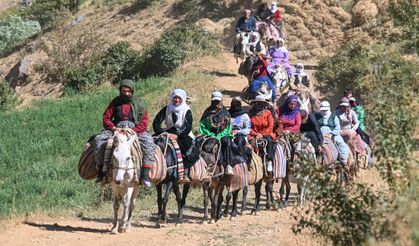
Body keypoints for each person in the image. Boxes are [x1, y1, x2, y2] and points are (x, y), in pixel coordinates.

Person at [94, 79, 155, 187]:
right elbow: (106, 117)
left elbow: (144, 121)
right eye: (124, 91)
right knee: (98, 140)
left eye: (129, 91)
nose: (126, 93)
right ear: (120, 90)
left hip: (134, 130)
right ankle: (101, 172)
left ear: (132, 91)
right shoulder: (116, 102)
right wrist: (114, 128)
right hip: (117, 128)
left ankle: (145, 174)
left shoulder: (139, 103)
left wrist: (134, 131)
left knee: (149, 142)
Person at [153, 89, 201, 183]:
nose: (177, 100)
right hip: (168, 132)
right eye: (175, 98)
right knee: (154, 144)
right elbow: (156, 123)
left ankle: (185, 172)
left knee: (188, 150)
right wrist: (162, 132)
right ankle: (152, 170)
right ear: (172, 98)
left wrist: (177, 135)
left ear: (183, 99)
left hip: (183, 134)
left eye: (179, 98)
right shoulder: (167, 108)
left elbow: (187, 127)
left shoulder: (186, 110)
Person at [200, 91, 236, 175]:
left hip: (223, 135)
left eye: (217, 101)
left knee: (226, 143)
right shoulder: (207, 112)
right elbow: (202, 126)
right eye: (214, 101)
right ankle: (202, 166)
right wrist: (210, 134)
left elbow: (228, 127)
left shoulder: (225, 112)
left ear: (221, 101)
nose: (216, 103)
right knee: (203, 145)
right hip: (210, 135)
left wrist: (220, 135)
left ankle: (228, 165)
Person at [314, 101, 350, 171]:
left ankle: (343, 161)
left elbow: (337, 128)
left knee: (341, 144)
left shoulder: (333, 116)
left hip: (332, 134)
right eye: (323, 110)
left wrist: (332, 134)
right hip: (319, 134)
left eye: (325, 110)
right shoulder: (316, 116)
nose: (324, 111)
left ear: (329, 108)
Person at [248, 95, 277, 170]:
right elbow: (248, 126)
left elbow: (270, 126)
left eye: (261, 103)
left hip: (267, 134)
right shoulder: (250, 114)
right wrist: (256, 134)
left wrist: (262, 134)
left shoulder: (268, 113)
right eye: (258, 103)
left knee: (270, 141)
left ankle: (269, 160)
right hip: (254, 134)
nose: (259, 105)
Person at [229, 97, 252, 166]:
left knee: (239, 141)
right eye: (234, 103)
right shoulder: (227, 114)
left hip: (241, 135)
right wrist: (229, 131)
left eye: (237, 103)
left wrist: (238, 131)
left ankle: (243, 162)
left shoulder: (244, 115)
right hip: (228, 134)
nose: (235, 105)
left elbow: (248, 128)